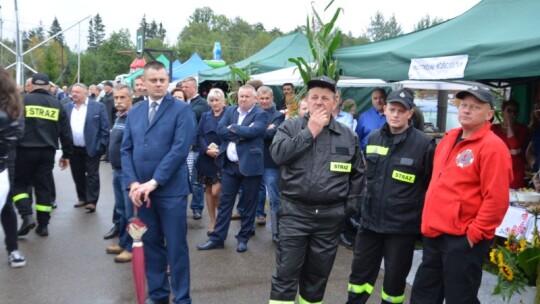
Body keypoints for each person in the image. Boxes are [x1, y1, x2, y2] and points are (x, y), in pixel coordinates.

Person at [411, 87, 513, 303]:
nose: (466, 110)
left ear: (489, 115)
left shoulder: (493, 147)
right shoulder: (449, 139)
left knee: (461, 298)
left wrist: (473, 236)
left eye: (475, 107)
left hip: (462, 240)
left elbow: (497, 200)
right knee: (423, 295)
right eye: (464, 105)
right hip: (434, 233)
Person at [268, 76, 365, 303]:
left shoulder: (347, 135)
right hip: (295, 213)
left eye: (325, 98)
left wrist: (348, 208)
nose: (319, 102)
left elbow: (358, 174)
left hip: (330, 219)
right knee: (285, 275)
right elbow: (278, 155)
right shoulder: (291, 127)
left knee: (317, 278)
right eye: (314, 97)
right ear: (307, 101)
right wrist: (309, 132)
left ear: (335, 102)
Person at [346, 89, 435, 304]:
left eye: (401, 111)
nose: (395, 115)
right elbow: (368, 173)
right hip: (369, 225)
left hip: (400, 228)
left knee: (394, 285)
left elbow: (430, 185)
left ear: (410, 113)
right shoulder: (375, 136)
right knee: (359, 279)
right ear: (384, 110)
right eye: (392, 109)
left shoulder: (424, 144)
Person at [122, 61, 196, 304]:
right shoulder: (134, 112)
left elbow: (179, 149)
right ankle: (158, 294)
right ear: (143, 82)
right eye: (153, 80)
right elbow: (127, 149)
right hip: (142, 193)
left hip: (170, 191)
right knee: (151, 245)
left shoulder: (181, 110)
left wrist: (154, 182)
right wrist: (133, 183)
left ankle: (182, 298)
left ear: (168, 81)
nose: (158, 84)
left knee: (176, 247)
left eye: (162, 80)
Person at [196, 84, 268, 253]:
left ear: (255, 99)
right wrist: (242, 132)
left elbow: (255, 131)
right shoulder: (230, 111)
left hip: (250, 166)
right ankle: (217, 238)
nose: (242, 99)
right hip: (229, 165)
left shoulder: (261, 114)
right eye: (240, 96)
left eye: (246, 97)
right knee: (225, 202)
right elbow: (221, 130)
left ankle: (242, 239)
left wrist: (234, 129)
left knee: (249, 204)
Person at [12, 73, 72, 237]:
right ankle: (43, 225)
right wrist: (66, 154)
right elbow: (66, 132)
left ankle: (26, 215)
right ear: (47, 86)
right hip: (47, 152)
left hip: (24, 151)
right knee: (43, 187)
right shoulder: (57, 104)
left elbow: (11, 125)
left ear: (32, 85)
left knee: (18, 184)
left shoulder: (22, 101)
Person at [64, 83, 109, 213]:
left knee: (92, 174)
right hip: (74, 148)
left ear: (86, 93)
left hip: (92, 147)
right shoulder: (66, 107)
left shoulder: (98, 107)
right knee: (77, 174)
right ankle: (82, 197)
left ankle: (92, 201)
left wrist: (101, 145)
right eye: (73, 92)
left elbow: (104, 128)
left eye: (77, 92)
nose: (74, 94)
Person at [104, 84, 135, 263]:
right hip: (117, 170)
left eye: (123, 97)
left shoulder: (133, 118)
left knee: (131, 213)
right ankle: (123, 242)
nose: (119, 101)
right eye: (116, 98)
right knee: (122, 210)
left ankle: (131, 247)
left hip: (127, 172)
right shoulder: (119, 117)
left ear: (130, 98)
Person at [0, 67, 26, 267]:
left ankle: (13, 248)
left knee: (7, 206)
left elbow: (16, 134)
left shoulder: (12, 103)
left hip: (4, 160)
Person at [254, 86, 285, 243]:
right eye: (262, 98)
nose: (264, 101)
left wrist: (253, 130)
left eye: (267, 98)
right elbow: (261, 132)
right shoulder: (252, 113)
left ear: (272, 98)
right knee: (251, 195)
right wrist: (263, 129)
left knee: (274, 197)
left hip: (271, 162)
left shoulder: (278, 116)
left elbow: (271, 134)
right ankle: (249, 226)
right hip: (252, 161)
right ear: (257, 99)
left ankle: (275, 230)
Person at [195, 88, 226, 236]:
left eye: (217, 100)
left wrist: (221, 151)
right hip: (206, 158)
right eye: (212, 100)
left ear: (223, 101)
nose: (214, 103)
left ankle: (223, 217)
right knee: (208, 190)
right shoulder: (205, 116)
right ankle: (213, 221)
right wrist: (206, 150)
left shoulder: (229, 114)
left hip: (222, 158)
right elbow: (199, 135)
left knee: (216, 192)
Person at [181, 77, 210, 220]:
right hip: (181, 147)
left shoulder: (202, 104)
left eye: (186, 87)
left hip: (196, 148)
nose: (184, 89)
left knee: (196, 180)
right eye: (183, 87)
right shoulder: (184, 103)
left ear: (194, 88)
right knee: (181, 178)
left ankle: (197, 208)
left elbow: (191, 114)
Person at [491, 100, 529, 189]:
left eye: (515, 111)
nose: (512, 114)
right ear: (502, 111)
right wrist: (508, 151)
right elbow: (490, 149)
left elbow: (515, 148)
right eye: (509, 111)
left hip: (515, 170)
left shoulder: (522, 129)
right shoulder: (494, 128)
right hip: (497, 167)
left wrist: (509, 126)